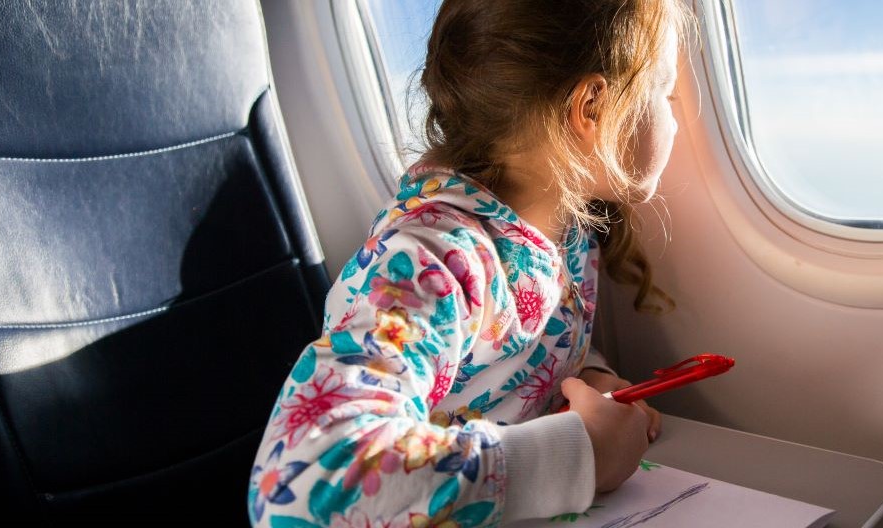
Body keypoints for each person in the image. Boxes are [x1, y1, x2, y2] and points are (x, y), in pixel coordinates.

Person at [248, 0, 693, 525]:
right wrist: (580, 456)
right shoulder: (430, 265)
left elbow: (514, 353)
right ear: (591, 107)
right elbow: (306, 483)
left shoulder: (563, 233)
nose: (675, 118)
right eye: (666, 93)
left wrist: (586, 375)